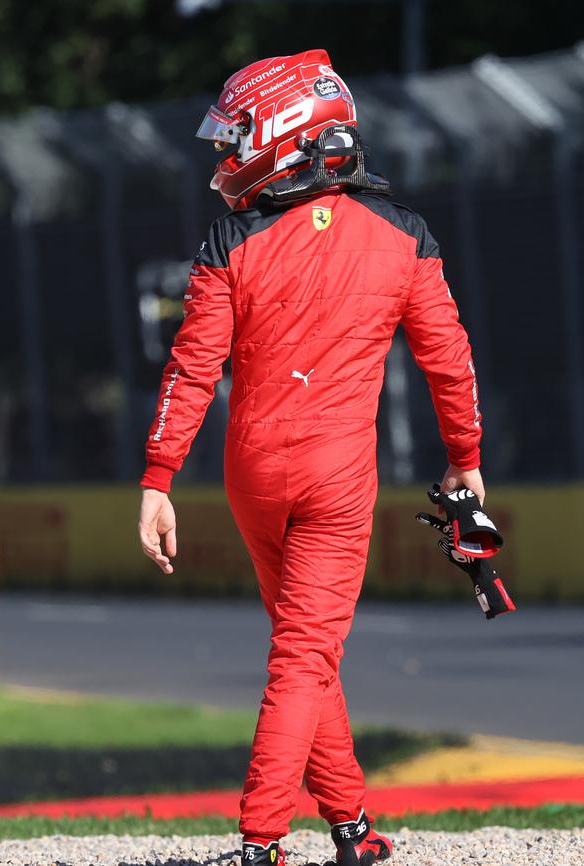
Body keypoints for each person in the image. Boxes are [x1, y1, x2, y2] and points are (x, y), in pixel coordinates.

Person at [138, 49, 485, 866]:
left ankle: (352, 827)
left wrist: (158, 479)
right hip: (337, 476)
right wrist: (465, 457)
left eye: (236, 142)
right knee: (305, 655)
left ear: (285, 136)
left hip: (251, 471)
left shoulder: (231, 237)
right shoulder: (407, 236)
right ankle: (261, 841)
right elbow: (450, 358)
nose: (226, 159)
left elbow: (190, 369)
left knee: (305, 649)